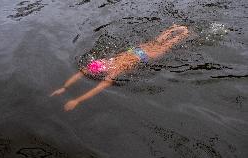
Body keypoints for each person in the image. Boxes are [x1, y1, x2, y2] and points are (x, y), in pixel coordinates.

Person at [51, 24, 189, 111]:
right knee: (154, 43)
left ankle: (183, 33)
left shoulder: (110, 70)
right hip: (133, 51)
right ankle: (174, 28)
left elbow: (95, 87)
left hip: (142, 56)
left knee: (162, 47)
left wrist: (75, 99)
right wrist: (65, 87)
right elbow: (81, 75)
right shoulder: (106, 62)